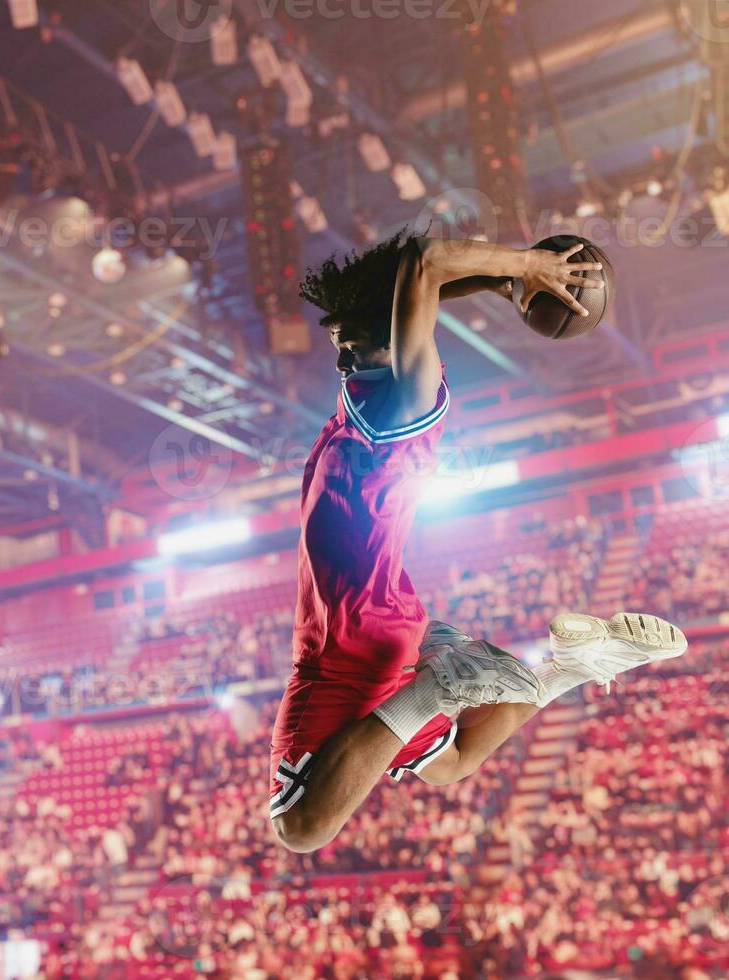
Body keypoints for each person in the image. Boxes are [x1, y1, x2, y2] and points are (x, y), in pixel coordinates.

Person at [268, 231, 688, 853]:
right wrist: (493, 283)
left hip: (345, 643)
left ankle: (443, 686)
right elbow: (406, 290)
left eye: (351, 347)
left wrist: (529, 264)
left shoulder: (401, 397)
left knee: (300, 828)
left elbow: (423, 262)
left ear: (388, 340)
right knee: (456, 759)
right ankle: (575, 666)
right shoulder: (375, 379)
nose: (341, 359)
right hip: (384, 620)